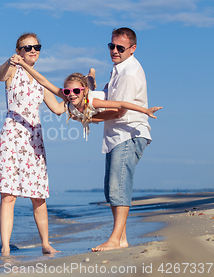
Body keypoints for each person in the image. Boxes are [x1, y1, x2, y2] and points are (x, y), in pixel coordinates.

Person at [0, 33, 64, 256]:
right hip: (12, 137)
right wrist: (9, 61)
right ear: (19, 50)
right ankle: (5, 247)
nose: (33, 50)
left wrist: (78, 96)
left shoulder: (40, 80)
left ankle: (45, 243)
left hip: (34, 141)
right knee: (8, 195)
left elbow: (59, 109)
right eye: (27, 47)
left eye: (37, 47)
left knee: (38, 195)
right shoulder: (13, 70)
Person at [88, 27, 153, 251]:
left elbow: (118, 111)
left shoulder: (129, 73)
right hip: (116, 135)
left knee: (119, 186)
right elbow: (108, 97)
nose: (114, 51)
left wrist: (90, 118)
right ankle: (122, 239)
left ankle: (115, 240)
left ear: (133, 49)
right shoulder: (118, 69)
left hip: (129, 133)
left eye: (120, 48)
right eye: (111, 46)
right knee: (111, 189)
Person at [10, 57, 161, 140]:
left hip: (98, 100)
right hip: (87, 99)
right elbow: (43, 81)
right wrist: (23, 64)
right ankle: (91, 76)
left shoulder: (93, 101)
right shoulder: (68, 96)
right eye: (68, 91)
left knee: (95, 95)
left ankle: (91, 75)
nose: (72, 94)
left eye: (75, 90)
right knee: (89, 89)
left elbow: (121, 103)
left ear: (82, 91)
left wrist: (145, 110)